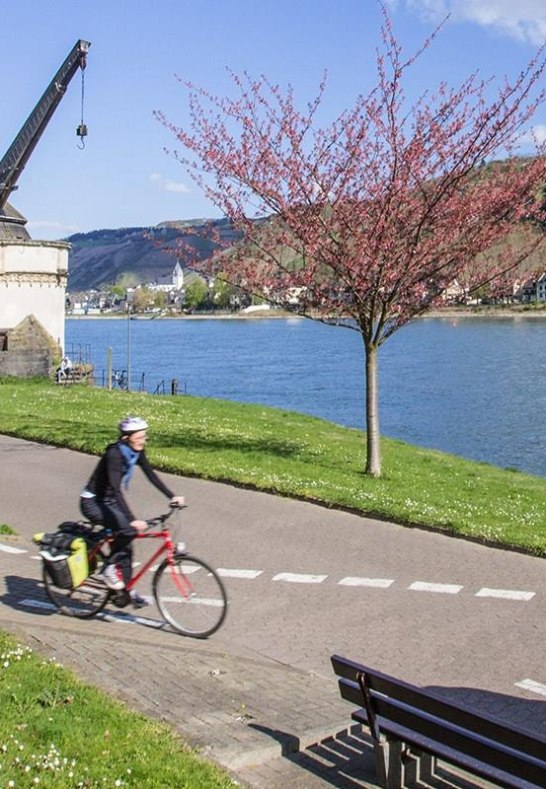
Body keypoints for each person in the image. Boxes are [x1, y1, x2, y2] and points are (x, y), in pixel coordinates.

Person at [79, 416, 184, 607]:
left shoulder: (136, 451)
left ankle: (125, 590)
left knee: (127, 547)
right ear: (127, 437)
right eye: (140, 436)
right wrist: (132, 519)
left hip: (109, 501)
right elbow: (116, 488)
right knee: (128, 530)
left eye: (145, 436)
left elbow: (150, 474)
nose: (143, 440)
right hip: (93, 502)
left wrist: (172, 496)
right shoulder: (114, 454)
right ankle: (108, 569)